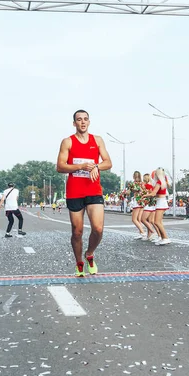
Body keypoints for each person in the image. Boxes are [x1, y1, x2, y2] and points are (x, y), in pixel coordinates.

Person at [56, 109, 112, 277]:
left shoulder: (97, 140)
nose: (82, 122)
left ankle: (90, 254)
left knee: (98, 228)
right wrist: (80, 166)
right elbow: (60, 166)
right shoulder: (68, 142)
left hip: (93, 189)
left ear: (89, 122)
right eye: (79, 119)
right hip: (75, 191)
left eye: (85, 119)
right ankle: (79, 262)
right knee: (77, 231)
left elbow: (108, 162)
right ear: (74, 123)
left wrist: (95, 166)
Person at [143, 168, 171, 245]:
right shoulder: (162, 182)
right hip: (161, 202)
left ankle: (165, 238)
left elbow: (153, 193)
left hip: (160, 202)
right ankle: (162, 238)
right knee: (159, 222)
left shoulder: (159, 182)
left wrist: (144, 195)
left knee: (157, 222)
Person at [127, 171, 146, 239]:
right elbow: (144, 191)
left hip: (136, 200)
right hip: (142, 201)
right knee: (139, 219)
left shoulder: (133, 184)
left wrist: (126, 192)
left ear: (133, 176)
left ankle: (143, 232)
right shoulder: (142, 183)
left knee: (134, 219)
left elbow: (128, 193)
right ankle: (141, 233)